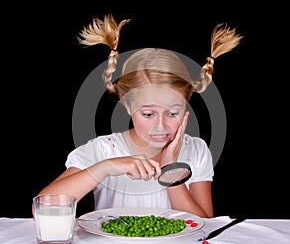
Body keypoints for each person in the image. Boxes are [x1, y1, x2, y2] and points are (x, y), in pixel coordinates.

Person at [34, 13, 242, 218]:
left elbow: (204, 225)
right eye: (148, 113)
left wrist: (170, 170)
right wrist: (106, 167)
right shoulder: (104, 149)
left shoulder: (196, 150)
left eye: (172, 113)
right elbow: (42, 210)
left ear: (186, 105)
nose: (160, 126)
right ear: (127, 106)